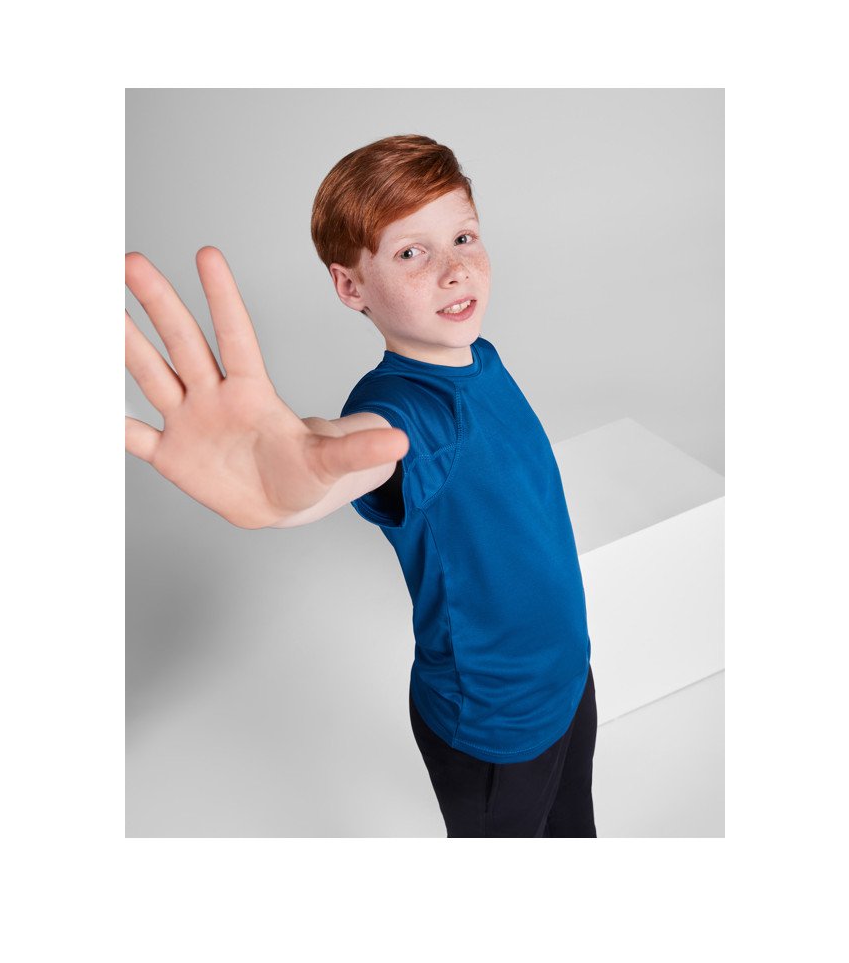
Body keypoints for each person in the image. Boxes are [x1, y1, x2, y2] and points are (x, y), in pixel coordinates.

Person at [125, 134, 597, 838]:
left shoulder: (479, 357)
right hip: (494, 724)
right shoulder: (406, 409)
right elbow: (353, 451)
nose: (454, 270)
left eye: (463, 237)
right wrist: (288, 482)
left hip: (566, 680)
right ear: (351, 287)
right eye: (411, 253)